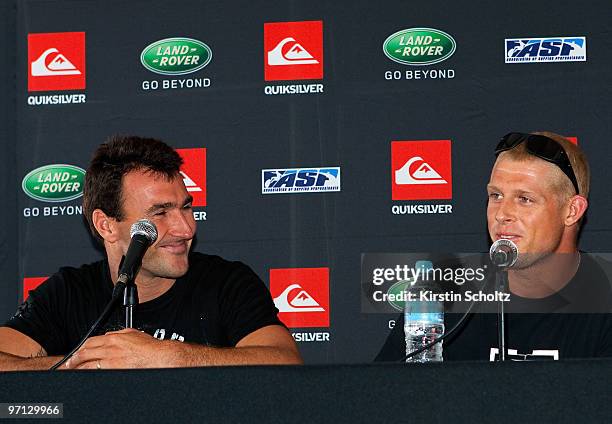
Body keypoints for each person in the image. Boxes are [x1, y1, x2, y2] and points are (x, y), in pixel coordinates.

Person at [0, 136, 302, 370]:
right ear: (106, 225)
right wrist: (85, 363)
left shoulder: (225, 282)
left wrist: (166, 357)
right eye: (160, 213)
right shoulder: (69, 292)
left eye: (186, 207)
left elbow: (285, 361)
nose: (186, 229)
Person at [376, 131, 612, 361]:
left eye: (524, 199)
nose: (502, 214)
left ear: (572, 211)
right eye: (496, 196)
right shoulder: (445, 289)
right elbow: (387, 394)